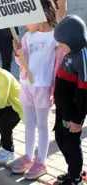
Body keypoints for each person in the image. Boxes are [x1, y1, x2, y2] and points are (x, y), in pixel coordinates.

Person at [10, 0, 65, 179]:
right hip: (26, 85)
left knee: (42, 125)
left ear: (39, 15)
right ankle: (28, 155)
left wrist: (56, 89)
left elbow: (60, 62)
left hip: (43, 86)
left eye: (27, 18)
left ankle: (41, 161)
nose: (25, 24)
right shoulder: (28, 37)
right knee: (29, 123)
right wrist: (18, 53)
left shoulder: (56, 37)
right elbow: (22, 63)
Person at [53, 15, 87, 185]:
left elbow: (84, 92)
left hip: (73, 112)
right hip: (62, 108)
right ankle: (72, 171)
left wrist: (77, 118)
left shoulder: (82, 58)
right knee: (60, 138)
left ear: (73, 39)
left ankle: (76, 177)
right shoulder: (70, 52)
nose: (59, 46)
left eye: (61, 42)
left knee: (71, 143)